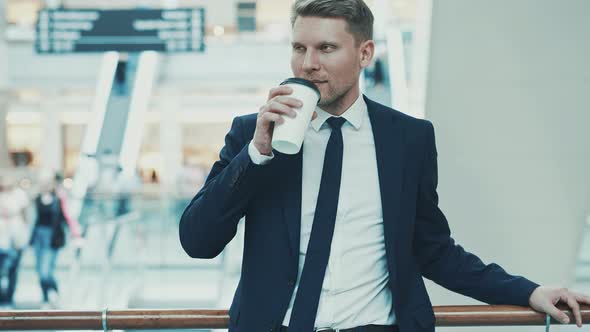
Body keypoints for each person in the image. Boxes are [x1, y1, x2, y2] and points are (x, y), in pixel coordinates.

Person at [179, 1, 590, 331]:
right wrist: (256, 156)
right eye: (299, 48)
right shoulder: (253, 133)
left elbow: (434, 250)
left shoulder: (408, 139)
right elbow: (198, 242)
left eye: (326, 48)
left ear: (365, 53)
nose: (307, 64)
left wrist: (529, 292)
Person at [30, 172, 81, 308]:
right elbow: (32, 219)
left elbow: (68, 217)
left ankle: (55, 291)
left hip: (52, 238)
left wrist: (76, 234)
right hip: (38, 238)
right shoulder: (36, 198)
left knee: (46, 271)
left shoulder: (59, 198)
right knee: (40, 271)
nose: (44, 185)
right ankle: (45, 298)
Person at [0, 176, 30, 308]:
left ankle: (9, 298)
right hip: (2, 238)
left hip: (16, 236)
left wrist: (23, 236)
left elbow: (25, 215)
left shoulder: (19, 195)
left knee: (13, 269)